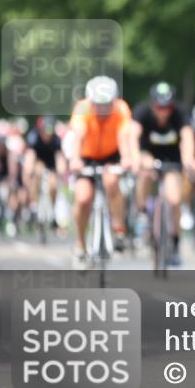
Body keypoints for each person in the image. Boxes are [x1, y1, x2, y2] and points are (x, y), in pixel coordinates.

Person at [68, 76, 135, 269]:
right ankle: (80, 244)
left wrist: (126, 159)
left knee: (112, 181)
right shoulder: (82, 108)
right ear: (90, 101)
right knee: (83, 197)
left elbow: (124, 136)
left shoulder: (121, 109)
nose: (103, 110)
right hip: (86, 155)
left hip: (111, 154)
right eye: (98, 105)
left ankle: (119, 228)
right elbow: (78, 135)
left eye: (108, 105)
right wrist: (75, 160)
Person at [131, 82, 195, 266]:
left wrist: (189, 160)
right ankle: (142, 211)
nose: (164, 112)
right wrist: (135, 158)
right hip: (148, 155)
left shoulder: (180, 113)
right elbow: (133, 136)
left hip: (171, 160)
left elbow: (188, 137)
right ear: (153, 105)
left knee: (174, 200)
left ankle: (175, 240)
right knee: (145, 171)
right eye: (160, 107)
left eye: (167, 107)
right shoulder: (142, 112)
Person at [23, 115, 65, 229]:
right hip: (38, 161)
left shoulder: (56, 140)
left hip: (51, 163)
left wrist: (61, 173)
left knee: (53, 184)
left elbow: (60, 157)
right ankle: (34, 206)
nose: (47, 134)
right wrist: (28, 172)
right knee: (37, 172)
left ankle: (52, 209)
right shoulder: (34, 137)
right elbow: (30, 156)